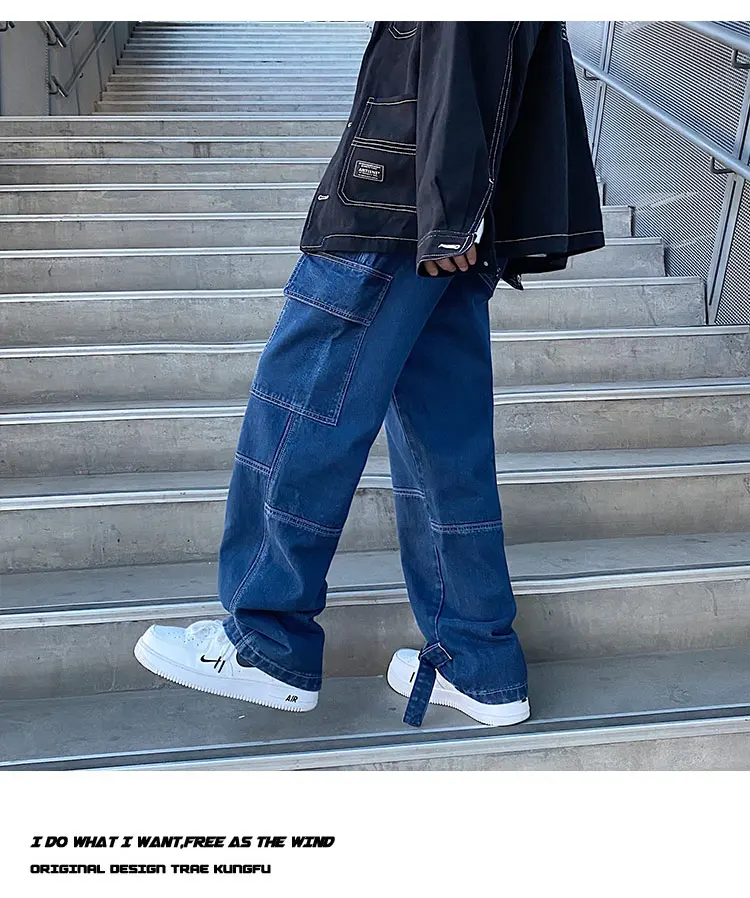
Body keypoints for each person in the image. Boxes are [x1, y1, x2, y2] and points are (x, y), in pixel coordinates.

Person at [134, 21, 605, 728]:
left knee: (300, 399)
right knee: (443, 442)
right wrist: (460, 209)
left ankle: (265, 639)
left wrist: (448, 210)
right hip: (444, 196)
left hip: (402, 201)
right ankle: (477, 660)